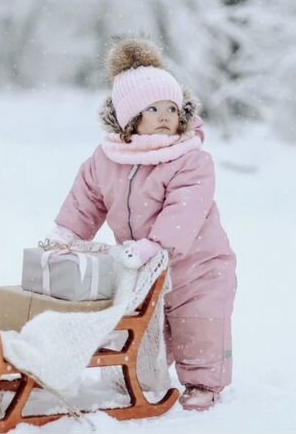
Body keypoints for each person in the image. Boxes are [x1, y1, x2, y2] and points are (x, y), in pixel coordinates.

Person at [49, 37, 237, 411]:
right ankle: (139, 376)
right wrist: (66, 236)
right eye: (153, 108)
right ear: (130, 119)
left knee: (197, 325)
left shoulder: (190, 161)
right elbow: (86, 199)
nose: (166, 115)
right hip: (143, 268)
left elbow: (185, 209)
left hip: (198, 266)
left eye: (172, 107)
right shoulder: (107, 159)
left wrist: (157, 244)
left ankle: (203, 383)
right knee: (146, 325)